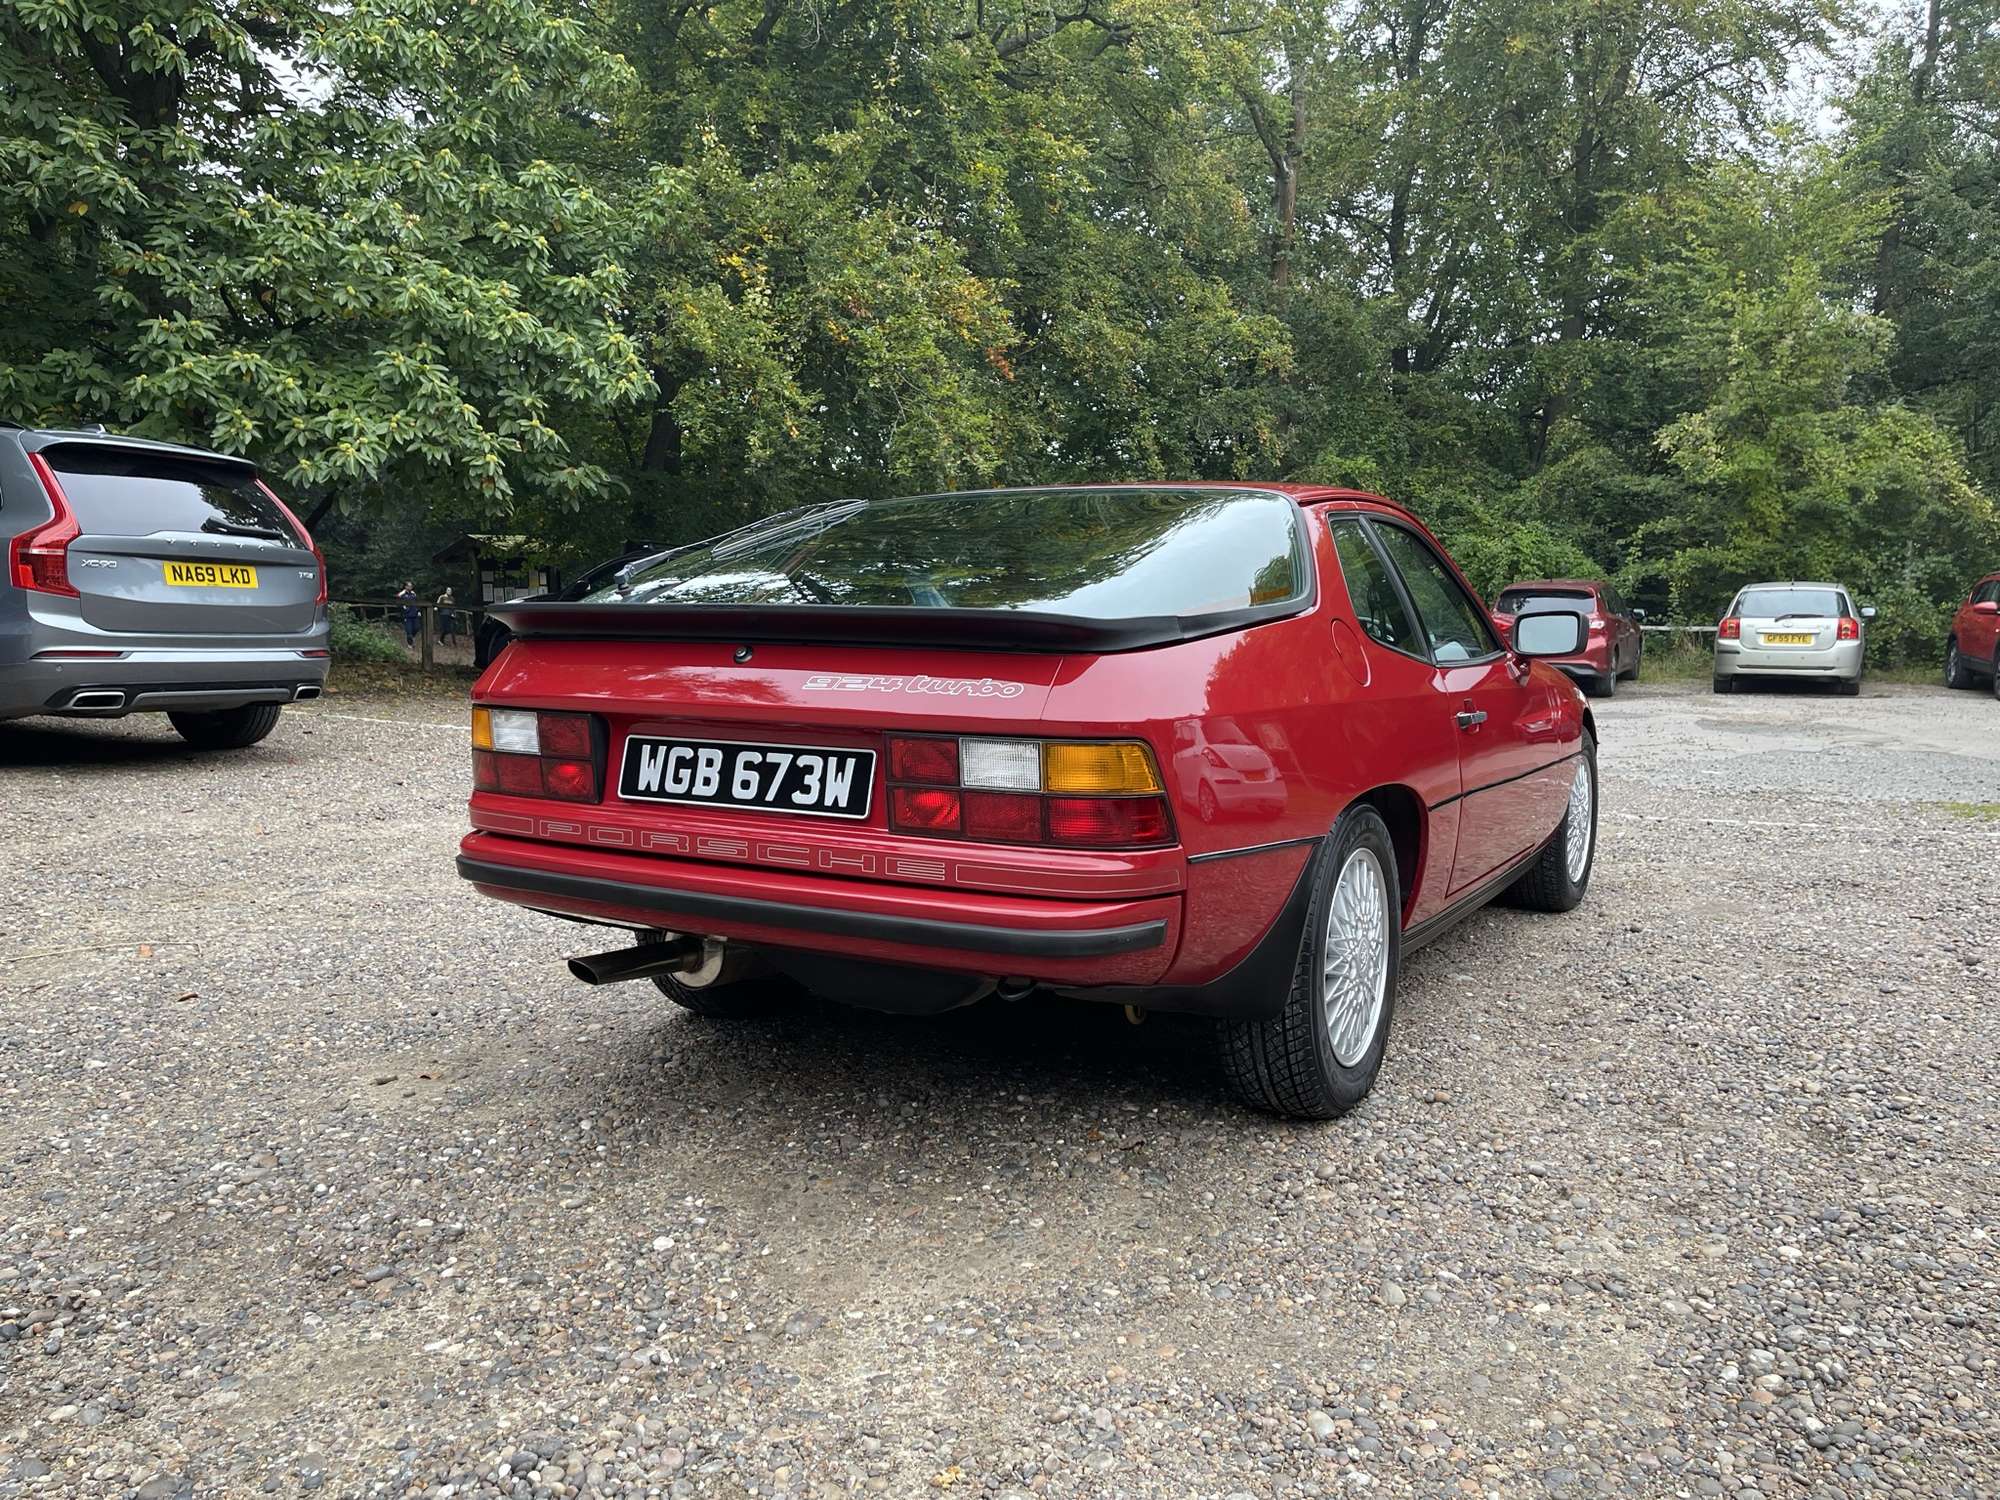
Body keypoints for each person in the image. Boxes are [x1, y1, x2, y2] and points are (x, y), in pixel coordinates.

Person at [396, 582, 420, 647]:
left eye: (411, 586)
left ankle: (412, 637)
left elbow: (417, 602)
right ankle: (410, 644)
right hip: (407, 615)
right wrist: (405, 609)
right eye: (409, 586)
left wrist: (418, 610)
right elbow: (398, 603)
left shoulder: (413, 593)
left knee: (417, 628)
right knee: (409, 630)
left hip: (415, 614)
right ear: (405, 586)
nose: (410, 587)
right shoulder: (401, 594)